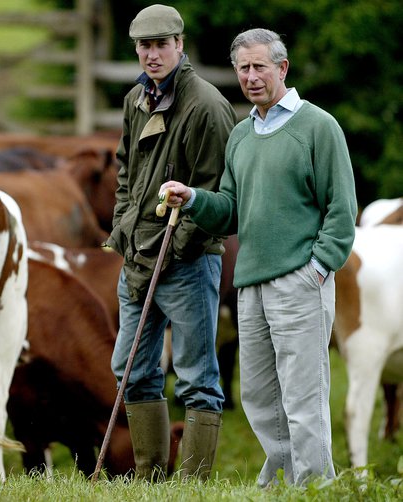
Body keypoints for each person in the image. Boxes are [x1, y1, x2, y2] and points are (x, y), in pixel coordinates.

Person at [159, 28, 357, 486]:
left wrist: (317, 269)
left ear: (282, 68)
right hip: (249, 285)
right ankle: (285, 478)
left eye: (259, 67)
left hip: (300, 281)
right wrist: (192, 198)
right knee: (260, 397)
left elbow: (342, 210)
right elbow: (229, 211)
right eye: (243, 68)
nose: (251, 77)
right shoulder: (242, 135)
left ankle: (313, 487)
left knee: (304, 397)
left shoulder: (318, 126)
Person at [105, 4, 237, 481]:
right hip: (137, 255)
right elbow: (125, 172)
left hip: (187, 259)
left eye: (162, 44)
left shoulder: (207, 106)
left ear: (180, 45)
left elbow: (218, 193)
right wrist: (123, 224)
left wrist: (176, 246)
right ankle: (149, 477)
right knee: (131, 370)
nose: (152, 54)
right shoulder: (135, 100)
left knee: (198, 378)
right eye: (144, 45)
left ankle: (195, 483)